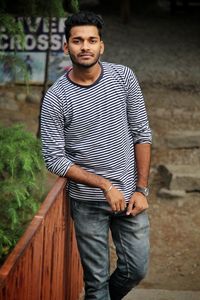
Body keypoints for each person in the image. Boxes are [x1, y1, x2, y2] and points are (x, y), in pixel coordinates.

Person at [40, 11, 152, 300]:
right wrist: (104, 185)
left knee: (136, 269)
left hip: (130, 198)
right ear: (67, 47)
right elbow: (54, 158)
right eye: (77, 41)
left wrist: (141, 189)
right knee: (96, 284)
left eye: (92, 40)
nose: (85, 47)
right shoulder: (56, 98)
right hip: (87, 203)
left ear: (102, 45)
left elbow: (141, 133)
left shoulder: (123, 77)